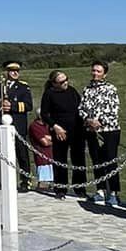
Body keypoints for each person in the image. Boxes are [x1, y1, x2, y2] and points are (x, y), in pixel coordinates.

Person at [79, 60, 122, 211]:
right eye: (94, 71)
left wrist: (100, 121)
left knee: (110, 161)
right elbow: (82, 108)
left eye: (98, 71)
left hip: (109, 130)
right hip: (91, 130)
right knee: (96, 160)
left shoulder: (111, 89)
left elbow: (113, 109)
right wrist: (88, 120)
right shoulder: (87, 89)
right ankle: (100, 190)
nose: (95, 73)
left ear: (105, 73)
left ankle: (114, 193)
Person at [41, 70, 85, 200]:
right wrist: (55, 126)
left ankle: (80, 188)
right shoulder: (49, 94)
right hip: (59, 130)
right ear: (54, 83)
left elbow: (80, 107)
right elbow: (45, 114)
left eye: (66, 79)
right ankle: (60, 188)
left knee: (78, 158)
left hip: (76, 129)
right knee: (60, 159)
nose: (66, 83)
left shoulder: (72, 91)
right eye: (61, 81)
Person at [0, 62, 34, 189]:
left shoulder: (23, 87)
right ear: (7, 72)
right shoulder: (0, 87)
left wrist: (13, 106)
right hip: (3, 124)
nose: (15, 73)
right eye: (12, 71)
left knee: (22, 153)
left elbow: (29, 106)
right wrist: (0, 107)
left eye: (17, 71)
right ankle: (6, 178)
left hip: (18, 124)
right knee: (5, 152)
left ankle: (25, 180)